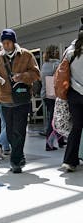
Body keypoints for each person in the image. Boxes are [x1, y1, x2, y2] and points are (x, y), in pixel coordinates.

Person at [0, 29, 40, 173]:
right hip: (4, 100)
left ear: (14, 42)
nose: (6, 45)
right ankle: (20, 155)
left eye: (8, 42)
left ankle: (15, 161)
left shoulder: (26, 55)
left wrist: (22, 76)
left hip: (22, 99)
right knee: (10, 132)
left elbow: (36, 74)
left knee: (19, 130)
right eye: (3, 43)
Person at [61, 27, 83, 172]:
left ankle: (70, 160)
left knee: (76, 127)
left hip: (74, 95)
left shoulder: (69, 52)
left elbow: (63, 73)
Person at [40, 45, 66, 151]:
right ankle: (49, 144)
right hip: (54, 95)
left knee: (55, 117)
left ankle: (60, 140)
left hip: (46, 95)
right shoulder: (56, 64)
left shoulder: (44, 65)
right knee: (55, 119)